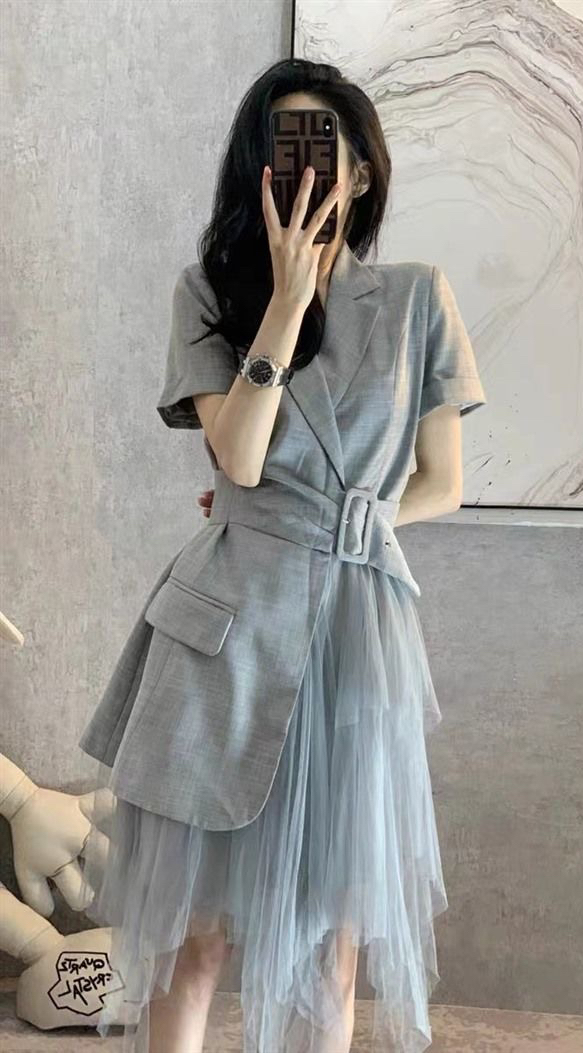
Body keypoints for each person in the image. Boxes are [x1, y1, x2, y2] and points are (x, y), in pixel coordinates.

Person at [76, 58, 486, 1053]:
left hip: (354, 631)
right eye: (281, 148)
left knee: (329, 943)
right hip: (230, 626)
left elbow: (442, 481)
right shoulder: (206, 295)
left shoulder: (417, 298)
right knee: (198, 942)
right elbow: (242, 458)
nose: (303, 170)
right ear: (254, 170)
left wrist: (351, 523)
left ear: (360, 171)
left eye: (323, 147)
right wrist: (285, 303)